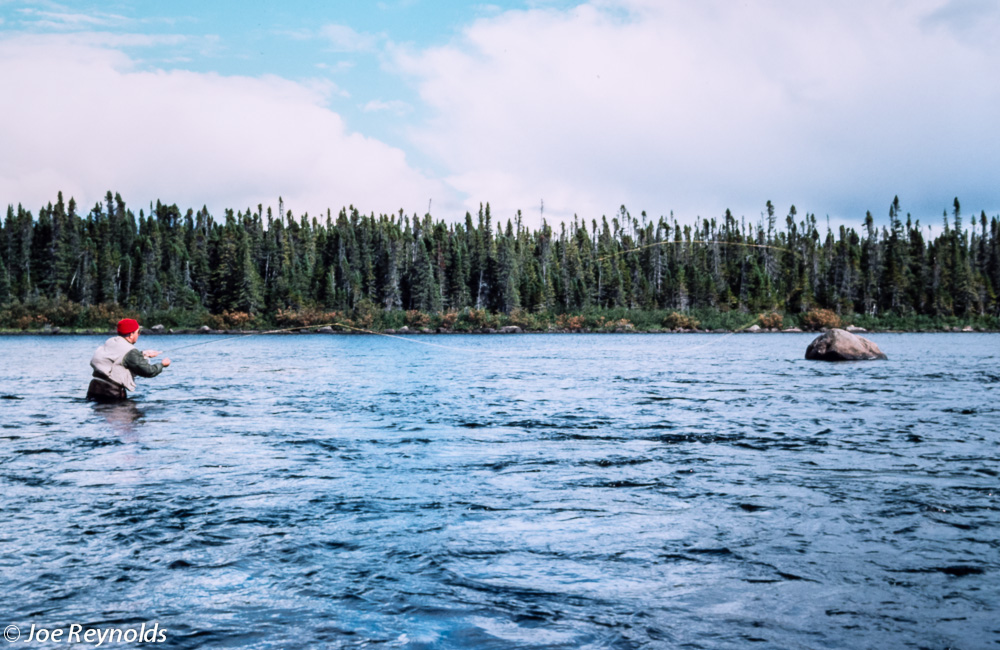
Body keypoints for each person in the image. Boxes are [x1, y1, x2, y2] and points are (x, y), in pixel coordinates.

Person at [87, 318, 171, 402]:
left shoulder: (111, 341)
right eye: (138, 332)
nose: (139, 334)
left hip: (94, 388)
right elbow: (148, 371)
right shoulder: (130, 351)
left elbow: (120, 357)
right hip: (111, 393)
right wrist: (162, 365)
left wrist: (144, 354)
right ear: (131, 335)